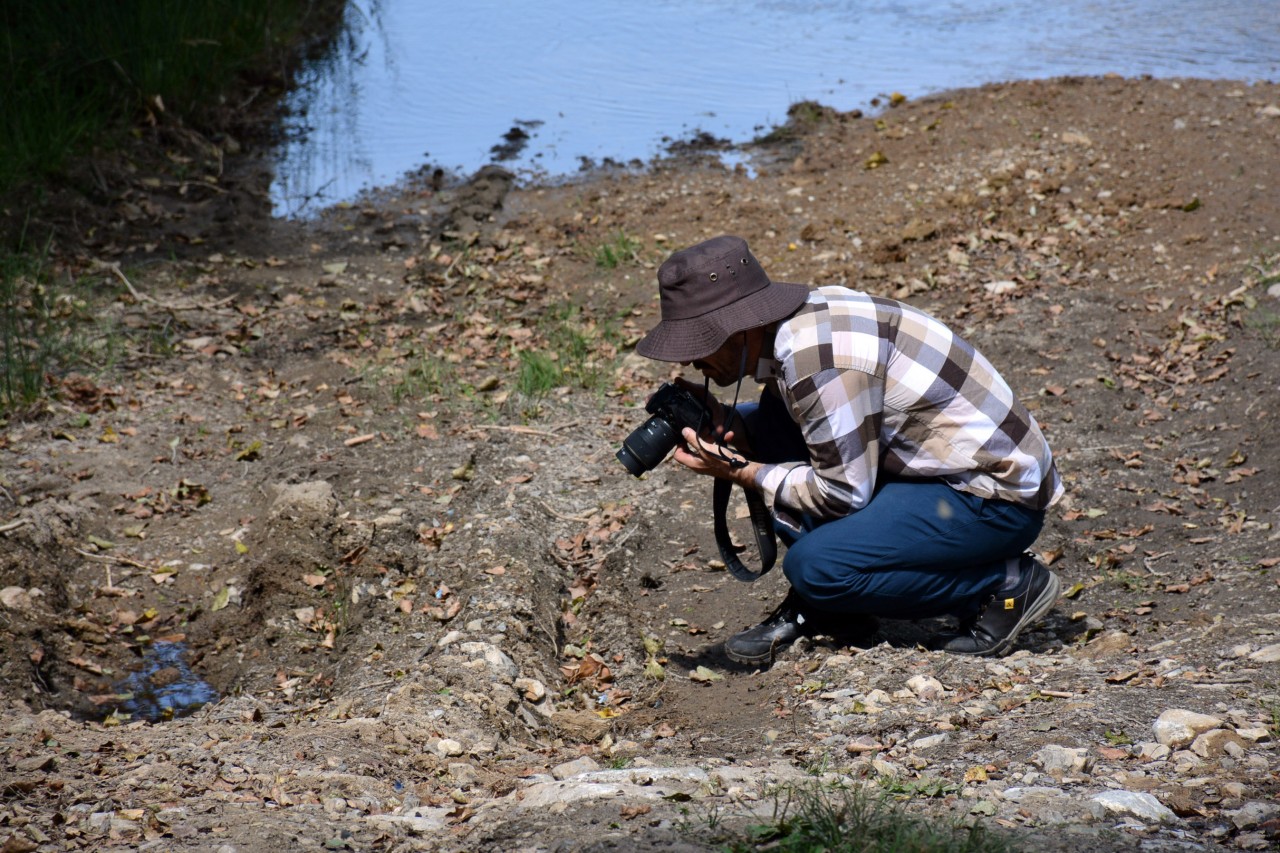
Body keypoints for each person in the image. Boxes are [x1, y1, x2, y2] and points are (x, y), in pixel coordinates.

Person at [635, 235, 1064, 665]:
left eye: (698, 343)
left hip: (994, 500)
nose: (690, 362)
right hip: (947, 470)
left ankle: (1004, 584)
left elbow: (841, 493)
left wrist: (743, 472)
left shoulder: (818, 360)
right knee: (771, 419)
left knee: (816, 570)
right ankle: (840, 612)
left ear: (740, 327)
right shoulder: (802, 321)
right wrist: (733, 425)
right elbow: (823, 421)